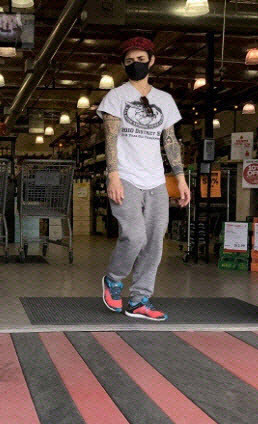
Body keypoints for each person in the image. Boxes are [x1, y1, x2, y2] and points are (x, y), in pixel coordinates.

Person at [97, 37, 190, 321]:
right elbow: (110, 140)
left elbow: (171, 141)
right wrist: (112, 176)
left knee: (154, 242)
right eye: (128, 61)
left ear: (151, 61)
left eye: (139, 60)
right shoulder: (116, 96)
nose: (134, 65)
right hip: (125, 176)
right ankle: (113, 279)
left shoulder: (165, 100)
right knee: (134, 235)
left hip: (156, 182)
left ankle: (139, 300)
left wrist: (181, 179)